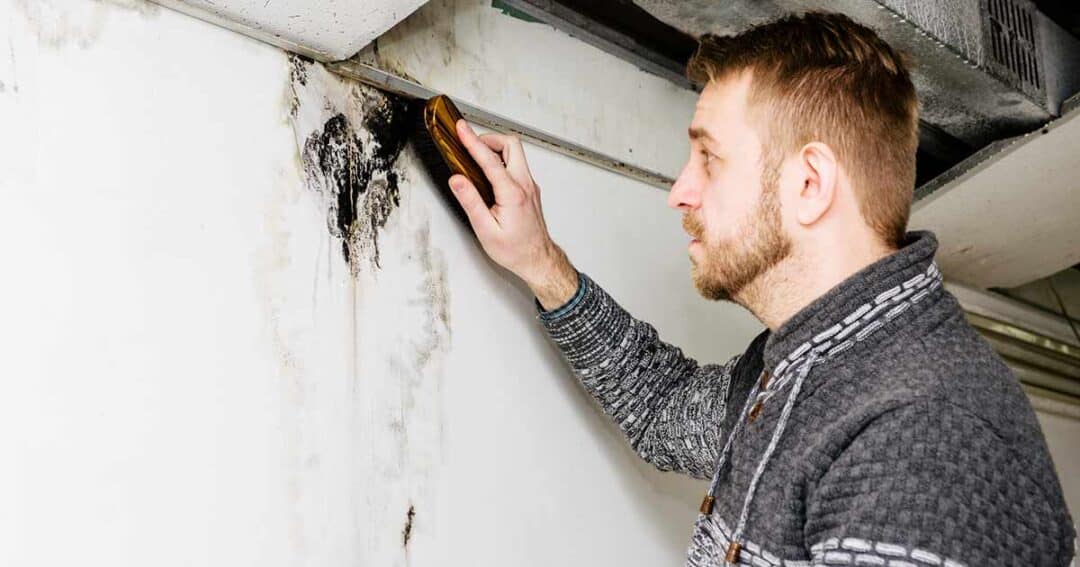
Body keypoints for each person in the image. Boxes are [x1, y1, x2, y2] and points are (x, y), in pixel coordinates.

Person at [445, 10, 1075, 567]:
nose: (680, 193)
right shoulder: (804, 365)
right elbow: (665, 408)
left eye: (709, 159)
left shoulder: (924, 438)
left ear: (809, 184)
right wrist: (541, 262)